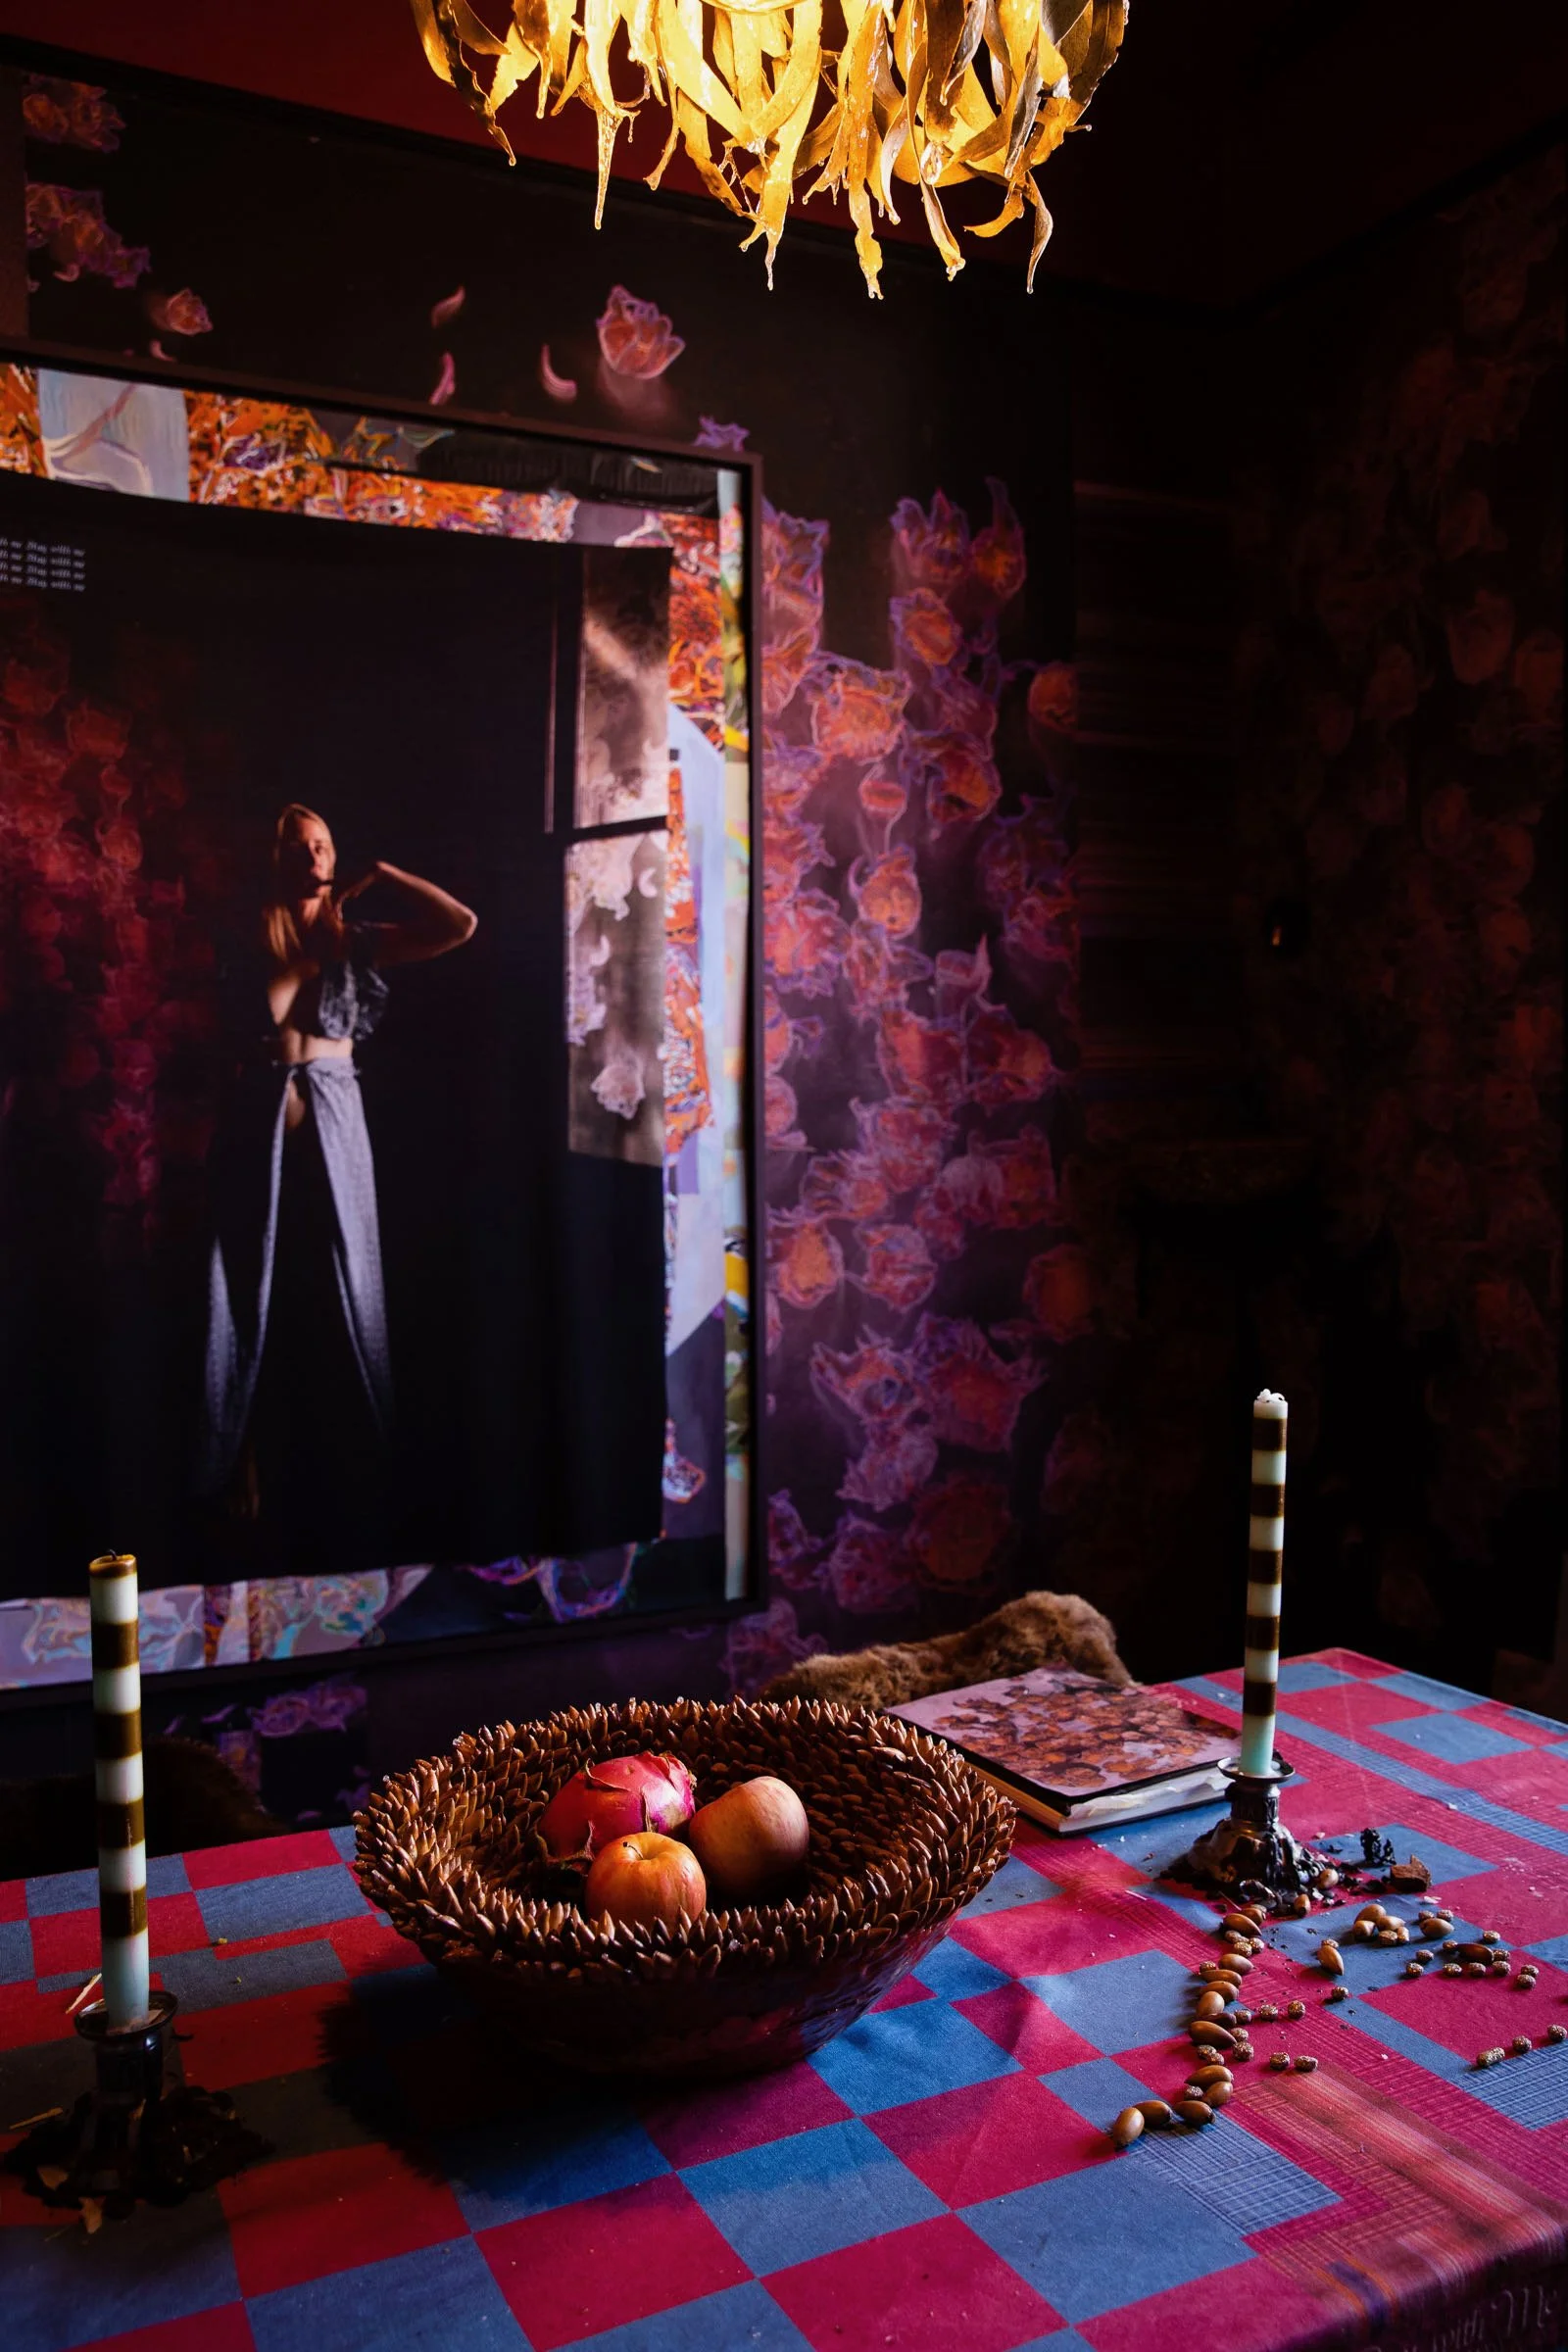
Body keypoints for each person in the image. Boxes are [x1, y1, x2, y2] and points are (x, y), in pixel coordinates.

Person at [200, 803, 476, 1557]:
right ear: (277, 859)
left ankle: (367, 1461)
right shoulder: (246, 938)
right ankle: (236, 1456)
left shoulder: (355, 943)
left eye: (324, 846)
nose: (316, 858)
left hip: (336, 1123)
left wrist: (381, 875)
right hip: (257, 1129)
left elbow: (460, 926)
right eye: (300, 847)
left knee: (348, 1284)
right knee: (243, 1288)